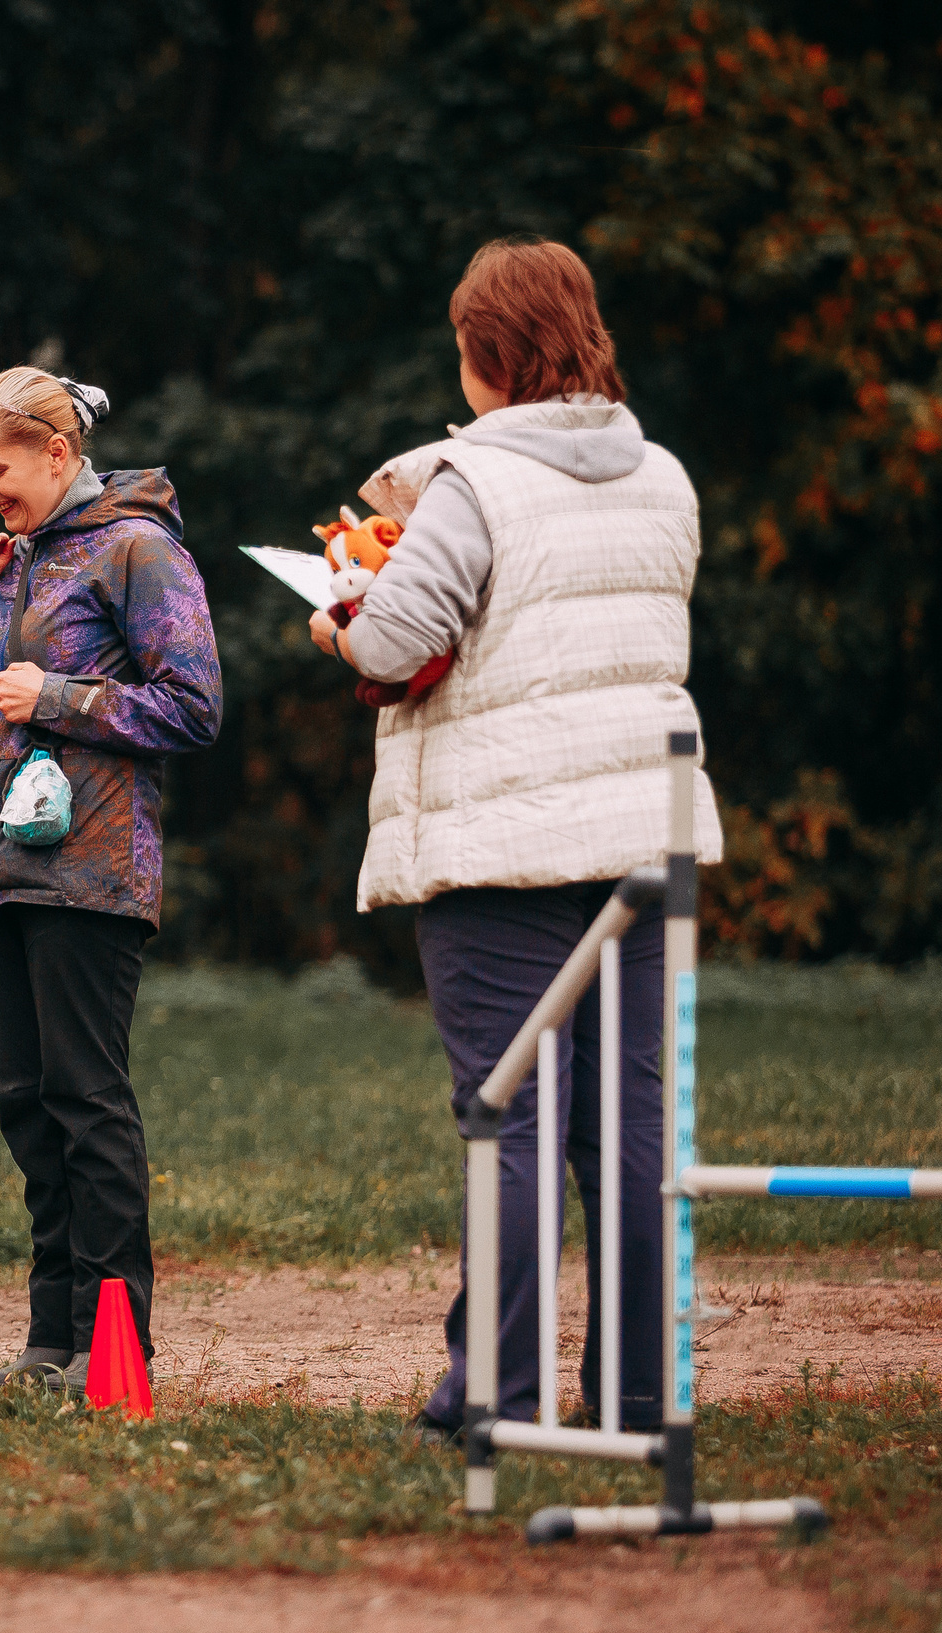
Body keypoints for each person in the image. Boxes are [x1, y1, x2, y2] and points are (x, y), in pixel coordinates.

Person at [308, 237, 723, 1435]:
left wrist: (340, 622)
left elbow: (394, 647)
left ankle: (496, 1389)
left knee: (512, 1118)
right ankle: (641, 1395)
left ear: (484, 352)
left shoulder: (471, 485)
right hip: (643, 833)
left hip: (504, 846)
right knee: (633, 1125)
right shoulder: (667, 477)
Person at [0, 366, 223, 1397]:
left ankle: (113, 1350)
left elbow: (192, 707)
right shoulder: (4, 558)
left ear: (57, 453)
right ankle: (49, 1347)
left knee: (85, 1103)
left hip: (89, 871)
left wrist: (59, 695)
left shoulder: (140, 549)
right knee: (25, 1106)